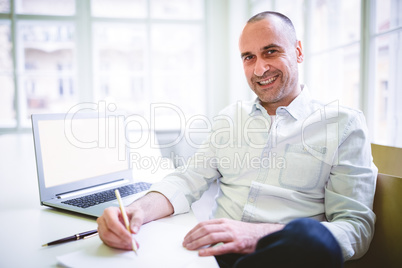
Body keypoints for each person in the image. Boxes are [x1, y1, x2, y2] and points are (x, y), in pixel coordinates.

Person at [97, 11, 377, 267]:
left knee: (310, 237)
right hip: (214, 255)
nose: (259, 68)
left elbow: (356, 229)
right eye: (249, 57)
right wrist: (135, 212)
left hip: (285, 256)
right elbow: (186, 180)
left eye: (271, 51)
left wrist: (257, 235)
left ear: (298, 51)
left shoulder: (343, 123)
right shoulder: (230, 118)